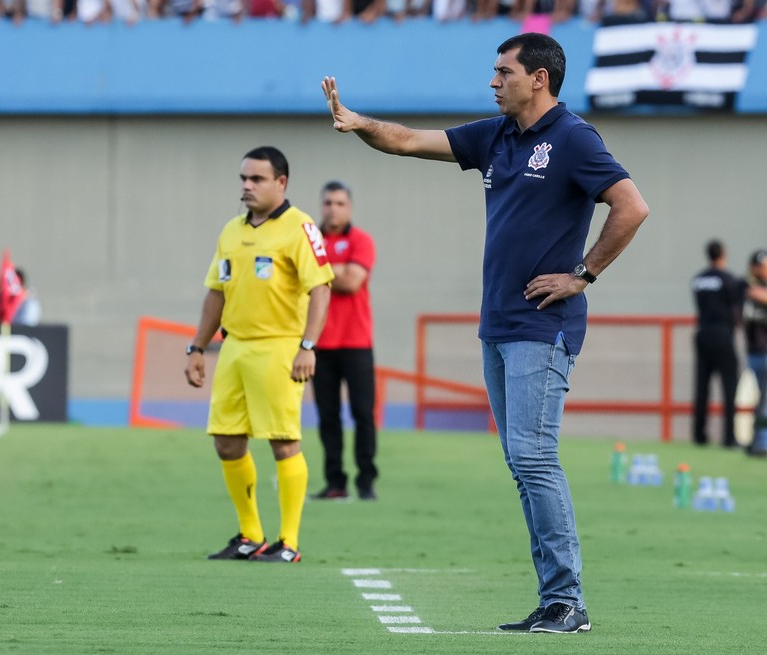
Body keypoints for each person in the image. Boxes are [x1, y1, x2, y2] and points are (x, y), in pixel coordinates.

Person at [322, 32, 649, 633]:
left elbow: (631, 206)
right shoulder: (495, 136)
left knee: (534, 457)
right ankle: (555, 598)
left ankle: (567, 600)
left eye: (503, 71)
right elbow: (408, 141)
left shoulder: (574, 138)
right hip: (497, 323)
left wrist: (583, 274)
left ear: (538, 79)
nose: (493, 81)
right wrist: (357, 121)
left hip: (541, 325)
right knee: (522, 462)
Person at [184, 146, 334, 564]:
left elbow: (320, 288)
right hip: (234, 348)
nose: (247, 187)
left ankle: (288, 543)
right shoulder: (231, 231)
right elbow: (216, 292)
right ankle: (250, 535)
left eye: (257, 179)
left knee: (284, 442)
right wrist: (197, 347)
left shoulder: (299, 227)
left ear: (280, 182)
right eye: (243, 179)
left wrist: (307, 346)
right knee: (227, 442)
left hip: (280, 347)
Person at [309, 181, 379, 502]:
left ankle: (366, 482)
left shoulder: (361, 240)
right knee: (328, 416)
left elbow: (352, 282)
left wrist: (316, 271)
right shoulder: (310, 241)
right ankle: (335, 482)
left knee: (363, 414)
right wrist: (334, 269)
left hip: (356, 341)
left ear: (348, 207)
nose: (333, 208)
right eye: (328, 203)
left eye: (339, 203)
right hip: (319, 343)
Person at [691, 240, 743, 448]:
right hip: (723, 334)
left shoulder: (698, 280)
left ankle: (699, 434)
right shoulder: (730, 280)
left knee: (702, 386)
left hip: (703, 333)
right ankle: (729, 437)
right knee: (729, 386)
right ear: (723, 254)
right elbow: (737, 311)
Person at [742, 248, 767, 456]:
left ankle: (761, 443)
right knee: (761, 399)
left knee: (765, 401)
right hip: (755, 351)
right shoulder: (748, 286)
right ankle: (758, 441)